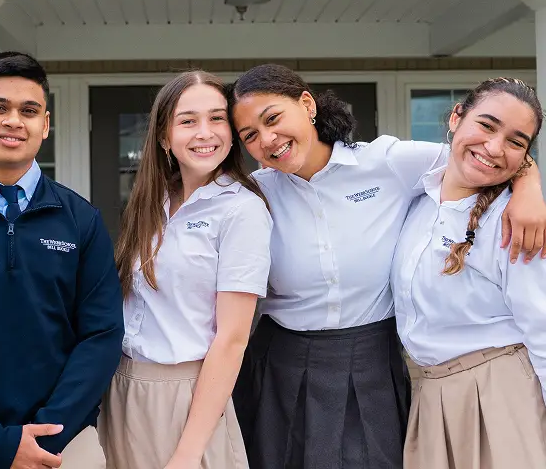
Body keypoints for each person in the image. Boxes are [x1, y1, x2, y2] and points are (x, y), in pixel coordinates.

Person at [228, 64, 546, 469]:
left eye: (273, 118)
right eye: (249, 136)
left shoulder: (389, 163)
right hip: (281, 361)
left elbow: (479, 157)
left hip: (371, 361)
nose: (267, 140)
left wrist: (529, 186)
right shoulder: (255, 195)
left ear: (306, 104)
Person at [0, 52, 124, 469]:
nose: (14, 120)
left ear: (45, 125)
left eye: (29, 111)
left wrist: (50, 433)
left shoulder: (81, 219)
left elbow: (101, 335)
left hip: (62, 448)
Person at [98, 70, 272, 469]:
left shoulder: (242, 210)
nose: (205, 133)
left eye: (216, 118)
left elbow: (232, 339)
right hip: (122, 389)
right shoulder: (152, 201)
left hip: (188, 395)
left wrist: (189, 453)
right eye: (188, 121)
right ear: (164, 137)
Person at [391, 78, 546, 469]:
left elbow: (543, 329)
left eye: (516, 141)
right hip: (428, 395)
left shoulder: (515, 225)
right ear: (457, 117)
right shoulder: (416, 197)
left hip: (501, 395)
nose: (494, 148)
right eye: (487, 125)